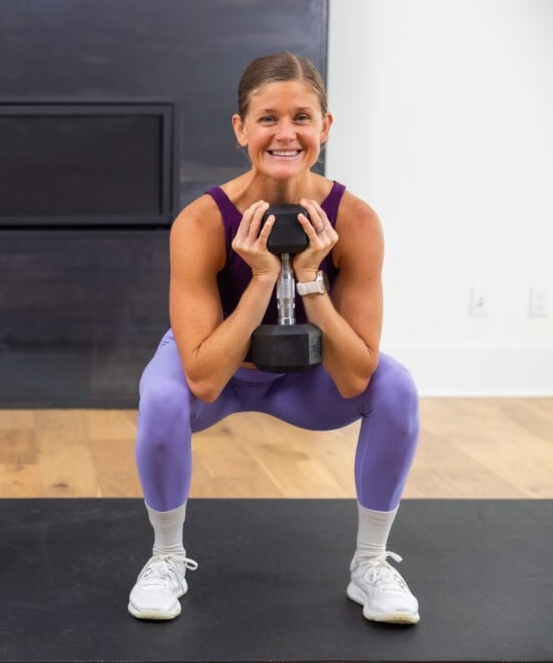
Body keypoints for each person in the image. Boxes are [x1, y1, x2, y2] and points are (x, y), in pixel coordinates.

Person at [127, 53, 420, 624]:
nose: (285, 134)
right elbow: (203, 378)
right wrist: (262, 277)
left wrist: (311, 280)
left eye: (302, 117)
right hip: (223, 373)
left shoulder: (355, 221)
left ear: (325, 127)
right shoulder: (202, 222)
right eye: (267, 119)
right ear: (241, 129)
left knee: (397, 388)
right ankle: (165, 557)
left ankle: (371, 562)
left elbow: (356, 376)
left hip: (308, 382)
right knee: (162, 396)